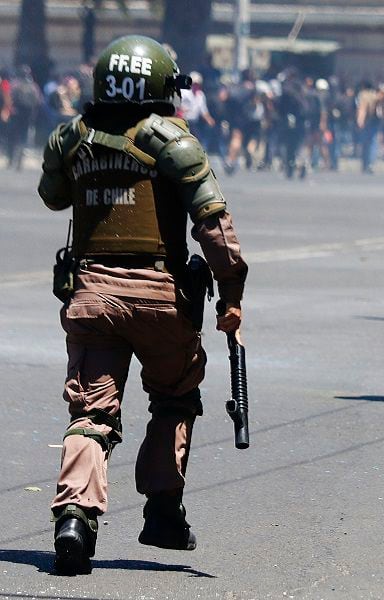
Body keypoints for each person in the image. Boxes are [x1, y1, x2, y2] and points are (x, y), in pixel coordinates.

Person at [38, 35, 248, 574]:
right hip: (161, 300)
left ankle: (74, 520)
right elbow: (214, 226)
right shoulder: (173, 140)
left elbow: (52, 194)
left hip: (93, 298)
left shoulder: (73, 139)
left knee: (91, 412)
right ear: (158, 84)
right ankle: (161, 511)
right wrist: (231, 295)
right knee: (176, 396)